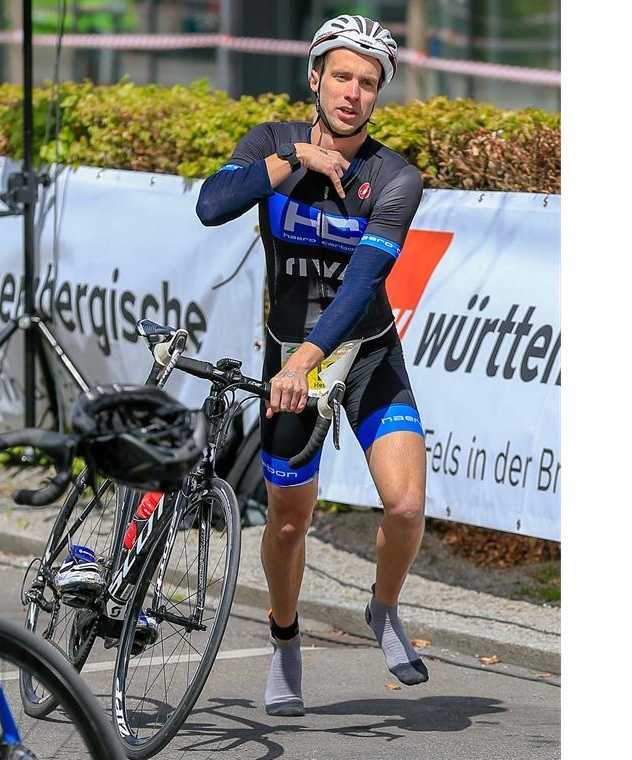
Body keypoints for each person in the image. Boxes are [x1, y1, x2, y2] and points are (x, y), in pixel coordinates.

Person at [195, 14, 429, 717]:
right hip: (287, 354)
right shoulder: (271, 141)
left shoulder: (395, 177)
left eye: (368, 82)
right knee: (290, 522)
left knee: (407, 504)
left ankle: (383, 609)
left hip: (362, 352)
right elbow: (211, 205)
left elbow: (363, 280)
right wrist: (296, 160)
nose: (354, 93)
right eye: (342, 77)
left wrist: (307, 358)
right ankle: (285, 635)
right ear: (315, 78)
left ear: (379, 94)